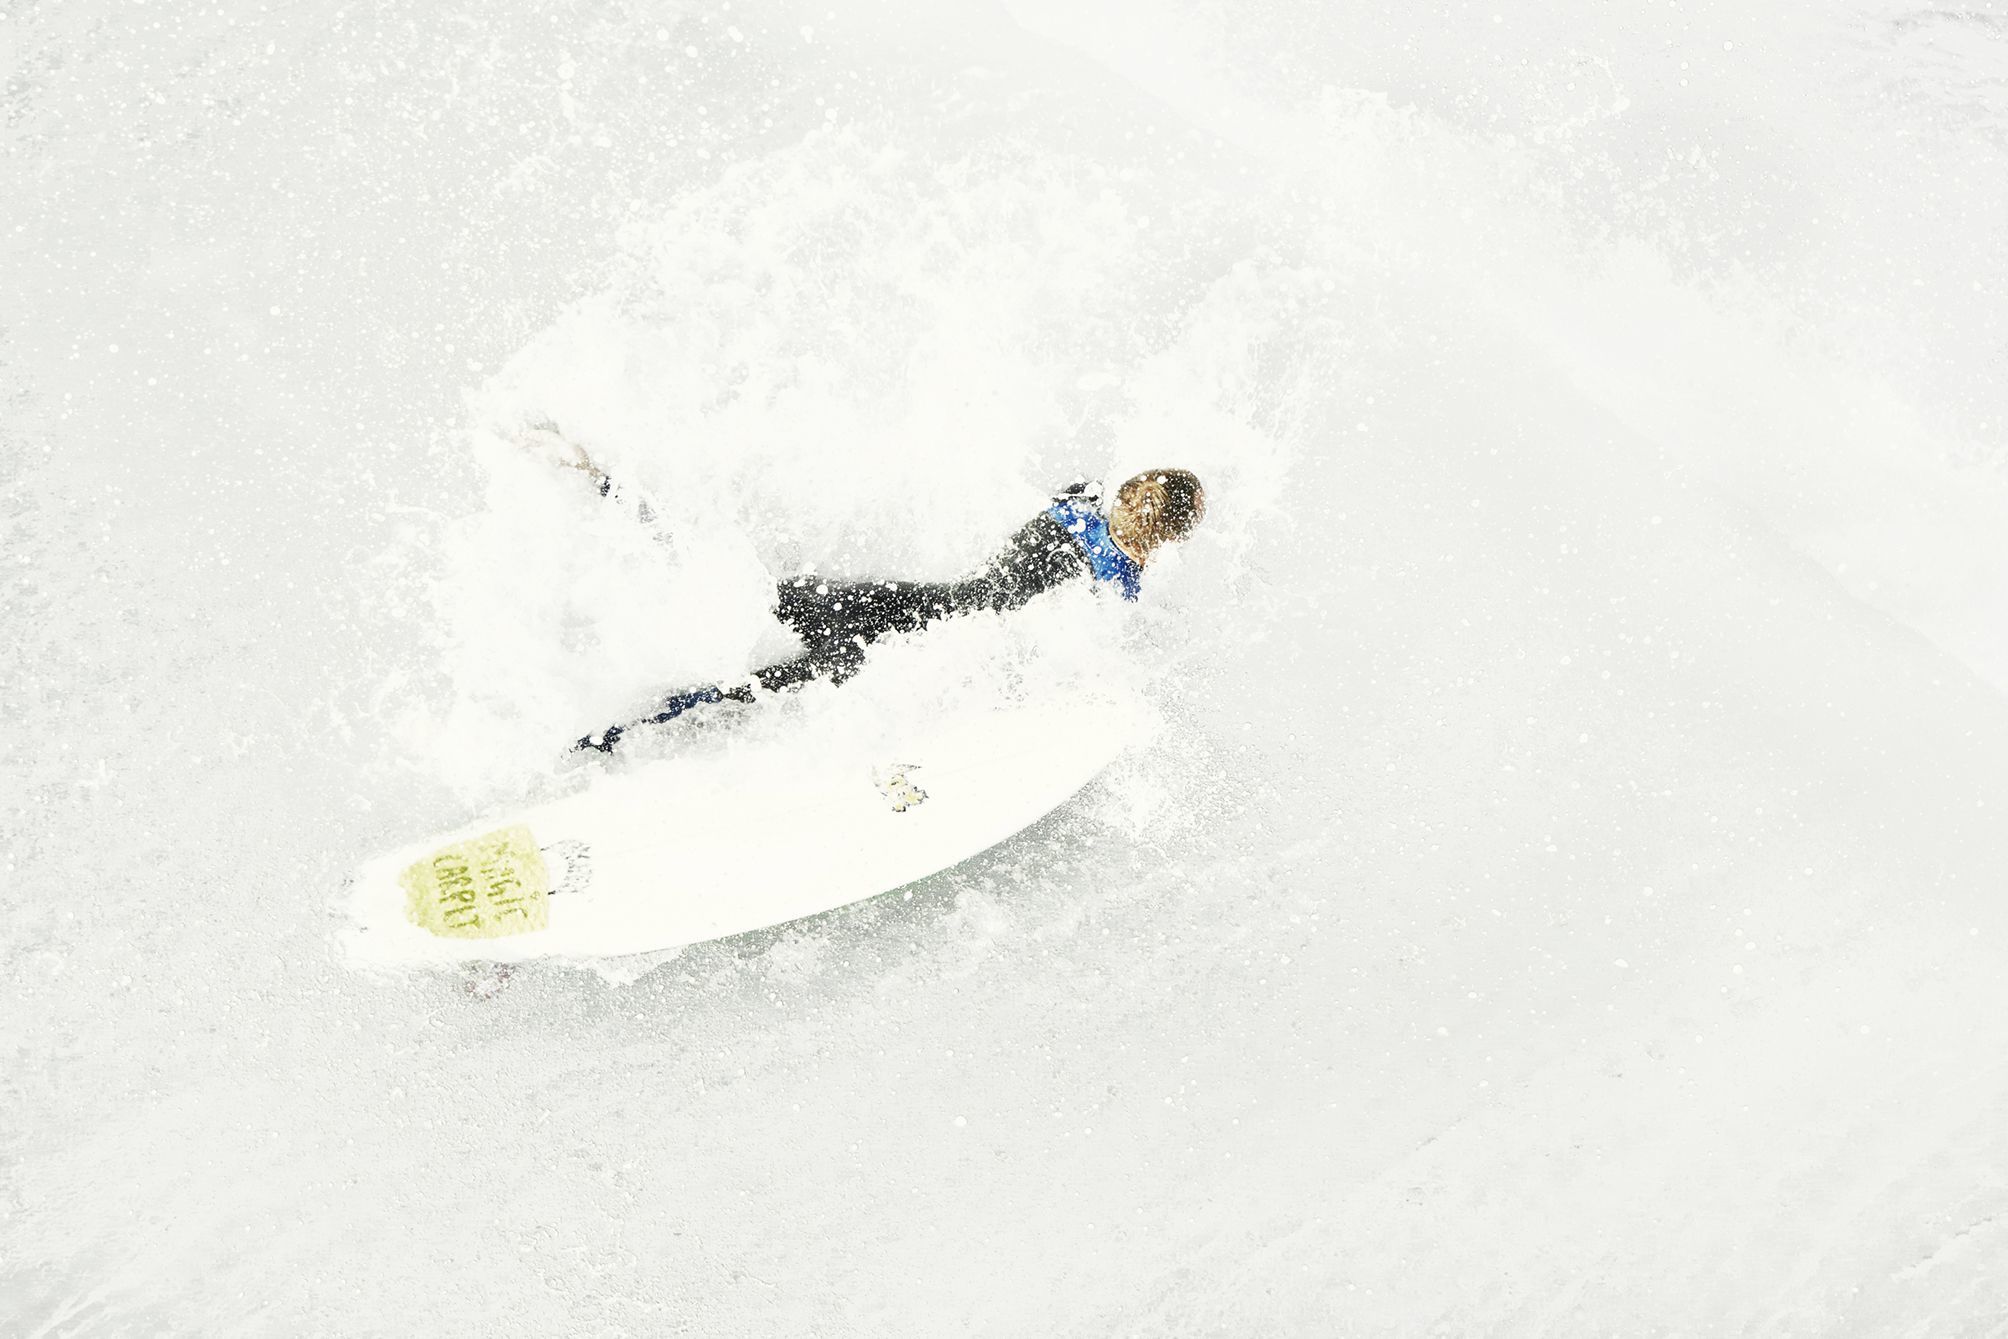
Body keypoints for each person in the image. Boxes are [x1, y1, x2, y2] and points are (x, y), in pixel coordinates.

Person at [514, 423, 1205, 751]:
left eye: (1148, 498)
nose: (1133, 493)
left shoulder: (1111, 588)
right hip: (897, 611)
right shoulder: (1085, 503)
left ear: (1161, 529)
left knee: (737, 685)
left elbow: (1047, 661)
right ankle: (594, 477)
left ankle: (601, 740)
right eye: (1139, 483)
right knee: (721, 595)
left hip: (904, 652)